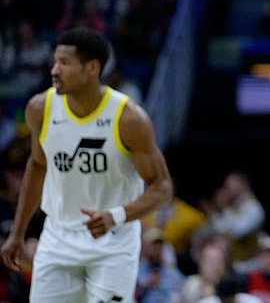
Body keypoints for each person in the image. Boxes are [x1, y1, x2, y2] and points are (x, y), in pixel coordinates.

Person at [0, 27, 174, 301]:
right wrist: (18, 232)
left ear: (92, 68)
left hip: (113, 243)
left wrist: (115, 215)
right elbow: (38, 165)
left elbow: (162, 188)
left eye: (65, 63)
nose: (54, 70)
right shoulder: (40, 109)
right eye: (55, 61)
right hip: (58, 236)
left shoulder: (128, 119)